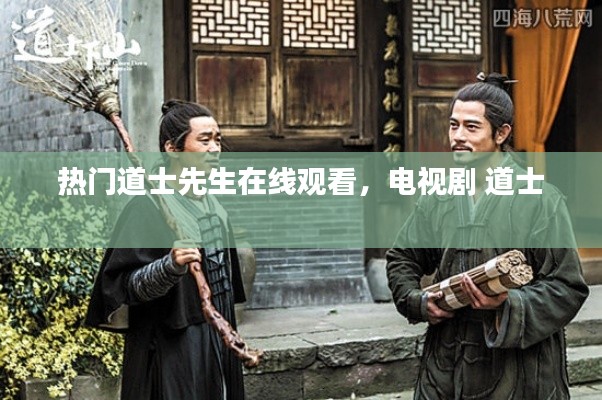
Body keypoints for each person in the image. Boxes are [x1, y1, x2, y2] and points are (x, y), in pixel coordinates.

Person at [386, 73, 589, 399]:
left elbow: (567, 286)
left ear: (501, 133)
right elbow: (403, 256)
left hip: (518, 369)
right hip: (446, 362)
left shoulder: (541, 200)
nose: (458, 136)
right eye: (453, 125)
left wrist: (509, 304)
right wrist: (417, 301)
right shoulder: (438, 196)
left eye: (471, 127)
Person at [85, 100, 247, 400]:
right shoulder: (147, 208)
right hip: (171, 343)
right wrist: (169, 266)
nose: (215, 149)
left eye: (217, 140)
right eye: (204, 140)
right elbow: (124, 287)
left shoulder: (214, 206)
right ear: (172, 148)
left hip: (217, 332)